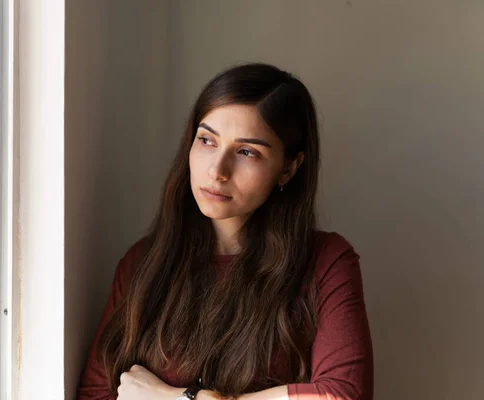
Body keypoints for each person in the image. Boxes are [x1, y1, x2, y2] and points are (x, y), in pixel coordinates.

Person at [77, 63, 373, 400]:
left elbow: (342, 396)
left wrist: (179, 398)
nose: (217, 170)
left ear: (289, 168)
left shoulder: (326, 262)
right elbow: (96, 394)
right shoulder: (143, 264)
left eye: (247, 152)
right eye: (206, 140)